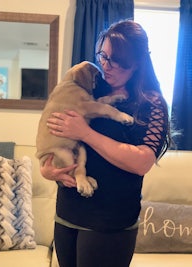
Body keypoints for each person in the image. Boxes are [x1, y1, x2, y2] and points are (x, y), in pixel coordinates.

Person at [40, 19, 171, 267]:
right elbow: (54, 131)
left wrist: (86, 133)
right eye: (103, 55)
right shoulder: (89, 86)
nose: (106, 66)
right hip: (67, 213)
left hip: (110, 221)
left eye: (117, 61)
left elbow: (142, 162)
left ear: (136, 64)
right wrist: (47, 169)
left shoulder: (151, 103)